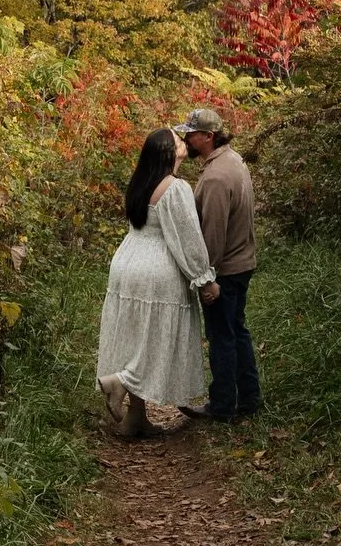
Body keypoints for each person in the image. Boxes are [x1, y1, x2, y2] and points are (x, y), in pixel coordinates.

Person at [97, 126, 221, 440]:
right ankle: (122, 382)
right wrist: (204, 279)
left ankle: (135, 419)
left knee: (135, 337)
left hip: (127, 263)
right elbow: (188, 240)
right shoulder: (175, 188)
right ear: (167, 152)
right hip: (156, 268)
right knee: (156, 338)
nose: (185, 142)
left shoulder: (141, 183)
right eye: (178, 141)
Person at [178, 106, 261, 422]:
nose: (187, 139)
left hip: (225, 269)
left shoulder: (215, 177)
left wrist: (205, 278)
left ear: (208, 137)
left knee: (222, 336)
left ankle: (222, 405)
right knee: (237, 331)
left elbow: (212, 235)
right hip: (242, 263)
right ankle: (249, 399)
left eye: (192, 134)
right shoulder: (233, 160)